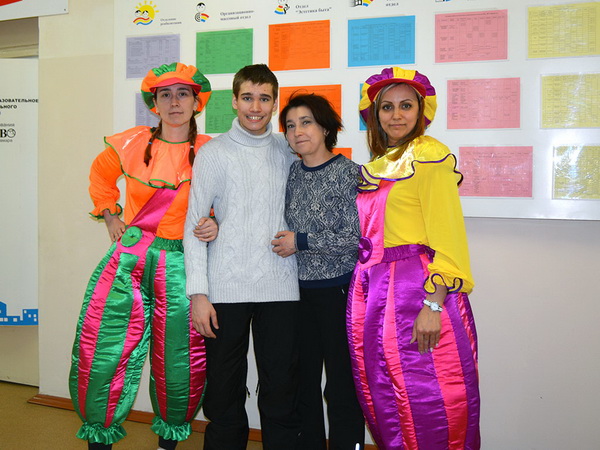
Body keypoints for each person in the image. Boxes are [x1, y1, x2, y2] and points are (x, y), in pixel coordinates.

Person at [69, 62, 216, 450]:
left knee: (178, 361)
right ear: (154, 103)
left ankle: (168, 442)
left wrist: (215, 223)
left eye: (183, 94)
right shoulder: (131, 143)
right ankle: (99, 438)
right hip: (126, 263)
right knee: (104, 351)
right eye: (165, 95)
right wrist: (110, 214)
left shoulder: (211, 151)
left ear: (197, 102)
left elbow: (229, 201)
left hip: (181, 266)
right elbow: (101, 177)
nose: (174, 102)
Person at [348, 67, 480, 449]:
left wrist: (433, 305)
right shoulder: (378, 164)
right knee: (388, 396)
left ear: (421, 111)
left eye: (406, 106)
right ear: (375, 114)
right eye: (387, 107)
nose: (396, 115)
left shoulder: (428, 155)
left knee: (432, 397)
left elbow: (448, 234)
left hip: (416, 291)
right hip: (374, 292)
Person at [184, 64, 300, 450]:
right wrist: (198, 294)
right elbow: (194, 226)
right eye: (247, 98)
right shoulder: (213, 154)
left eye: (264, 99)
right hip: (225, 289)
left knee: (281, 387)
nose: (256, 107)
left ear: (275, 103)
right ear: (234, 101)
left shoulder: (289, 150)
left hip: (281, 288)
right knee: (223, 390)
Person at [272, 93, 365, 449]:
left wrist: (302, 241)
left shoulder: (350, 174)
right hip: (297, 293)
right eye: (290, 125)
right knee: (303, 383)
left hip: (339, 293)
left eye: (306, 122)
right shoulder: (292, 173)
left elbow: (357, 239)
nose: (297, 132)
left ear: (326, 128)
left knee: (341, 384)